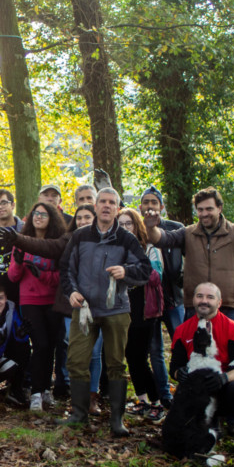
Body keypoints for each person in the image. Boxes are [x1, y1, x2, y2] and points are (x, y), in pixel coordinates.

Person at [59, 188, 152, 436]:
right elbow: (66, 268)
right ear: (96, 205)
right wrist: (72, 293)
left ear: (117, 208)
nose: (107, 206)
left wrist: (126, 272)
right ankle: (78, 414)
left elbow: (144, 269)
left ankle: (117, 421)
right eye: (103, 201)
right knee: (76, 361)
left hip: (116, 310)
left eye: (112, 202)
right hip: (85, 309)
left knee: (116, 364)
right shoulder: (79, 236)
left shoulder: (127, 239)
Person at [145, 180, 234, 337]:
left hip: (229, 307)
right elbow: (161, 239)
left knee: (232, 357)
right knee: (195, 358)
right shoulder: (187, 233)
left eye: (209, 209)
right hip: (196, 308)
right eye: (200, 210)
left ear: (219, 208)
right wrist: (151, 227)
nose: (204, 213)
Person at [170, 282, 234, 452]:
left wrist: (224, 378)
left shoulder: (233, 329)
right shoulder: (182, 330)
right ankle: (191, 438)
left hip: (225, 388)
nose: (204, 301)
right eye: (199, 296)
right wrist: (181, 374)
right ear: (193, 300)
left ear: (219, 302)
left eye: (210, 297)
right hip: (198, 392)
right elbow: (174, 367)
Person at [8, 201, 67, 412]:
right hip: (30, 301)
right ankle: (34, 392)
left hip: (52, 301)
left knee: (50, 345)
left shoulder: (57, 244)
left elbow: (61, 277)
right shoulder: (22, 241)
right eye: (35, 213)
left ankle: (46, 391)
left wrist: (41, 274)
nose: (38, 217)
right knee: (40, 344)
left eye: (43, 214)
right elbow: (13, 276)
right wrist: (18, 262)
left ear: (52, 218)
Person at [117, 208, 166, 422]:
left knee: (141, 357)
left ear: (137, 225)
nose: (125, 227)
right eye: (121, 224)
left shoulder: (149, 248)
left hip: (146, 311)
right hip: (123, 309)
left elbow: (155, 276)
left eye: (129, 223)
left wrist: (128, 271)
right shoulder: (116, 247)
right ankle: (142, 400)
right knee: (130, 357)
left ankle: (158, 402)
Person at [139, 186, 183, 408]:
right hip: (149, 303)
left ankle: (186, 389)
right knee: (155, 349)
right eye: (146, 202)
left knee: (183, 344)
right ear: (140, 206)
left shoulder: (175, 230)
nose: (149, 207)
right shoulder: (137, 231)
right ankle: (164, 394)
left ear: (161, 207)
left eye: (154, 203)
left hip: (174, 299)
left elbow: (183, 261)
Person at [0, 283, 30, 405]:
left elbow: (19, 335)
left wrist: (22, 336)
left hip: (1, 355)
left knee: (23, 349)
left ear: (5, 298)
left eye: (0, 298)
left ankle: (15, 389)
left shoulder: (11, 309)